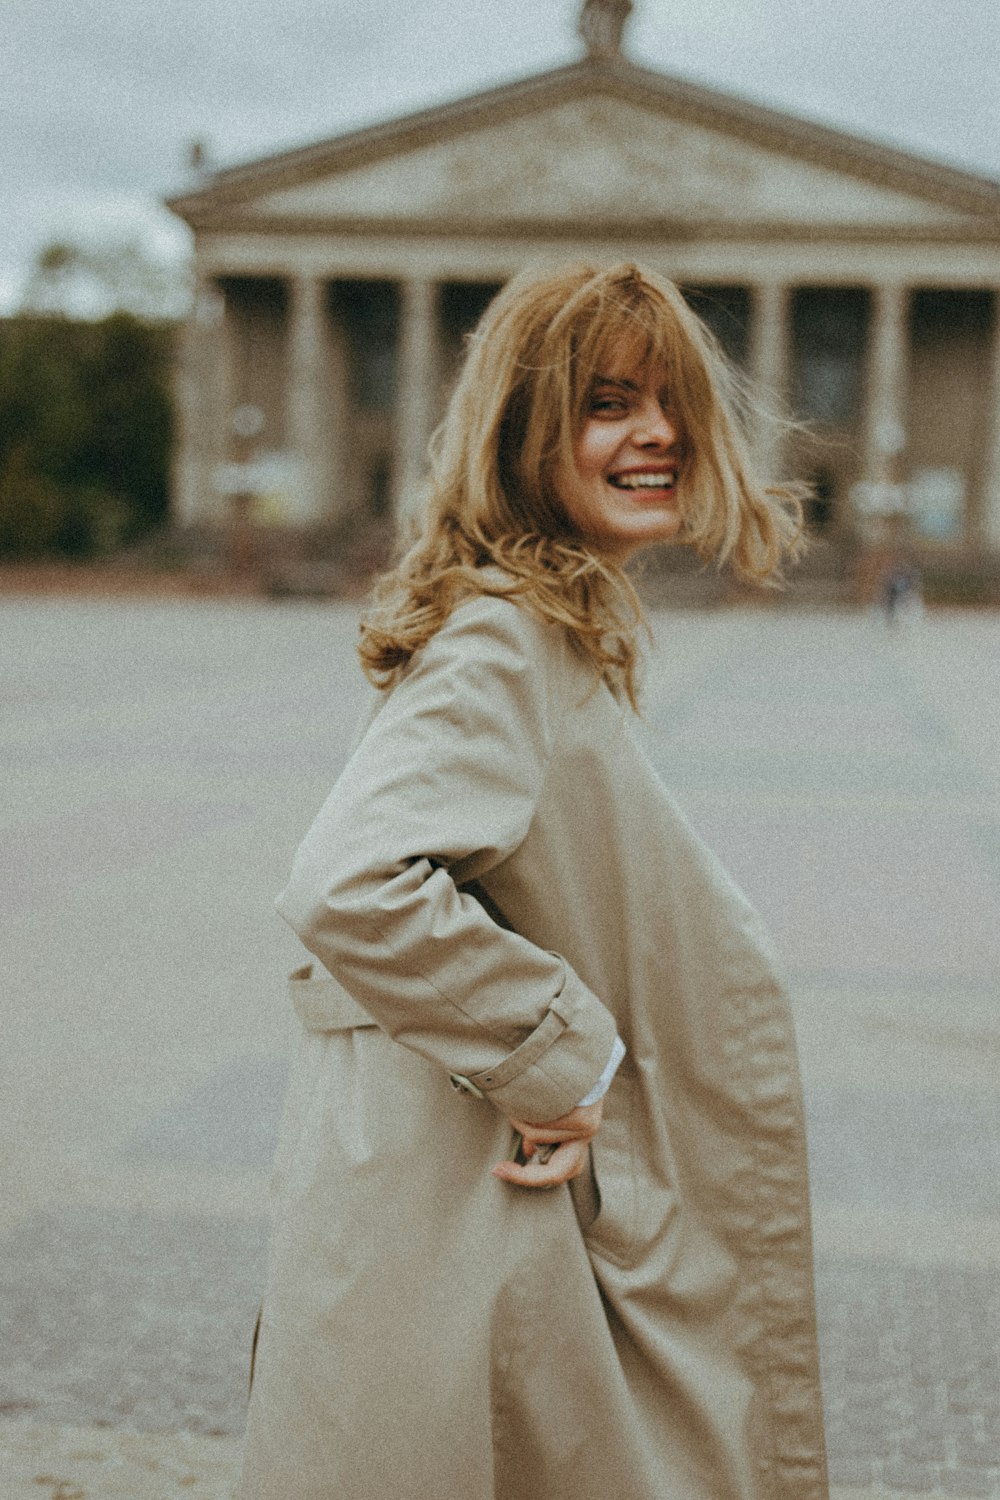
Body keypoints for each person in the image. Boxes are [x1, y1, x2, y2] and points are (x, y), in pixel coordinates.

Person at [239, 262, 828, 1500]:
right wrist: (561, 1060)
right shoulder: (504, 633)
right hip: (478, 1212)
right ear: (519, 433)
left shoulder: (527, 623)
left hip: (468, 1205)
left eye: (669, 402)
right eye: (607, 402)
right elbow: (353, 884)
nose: (658, 431)